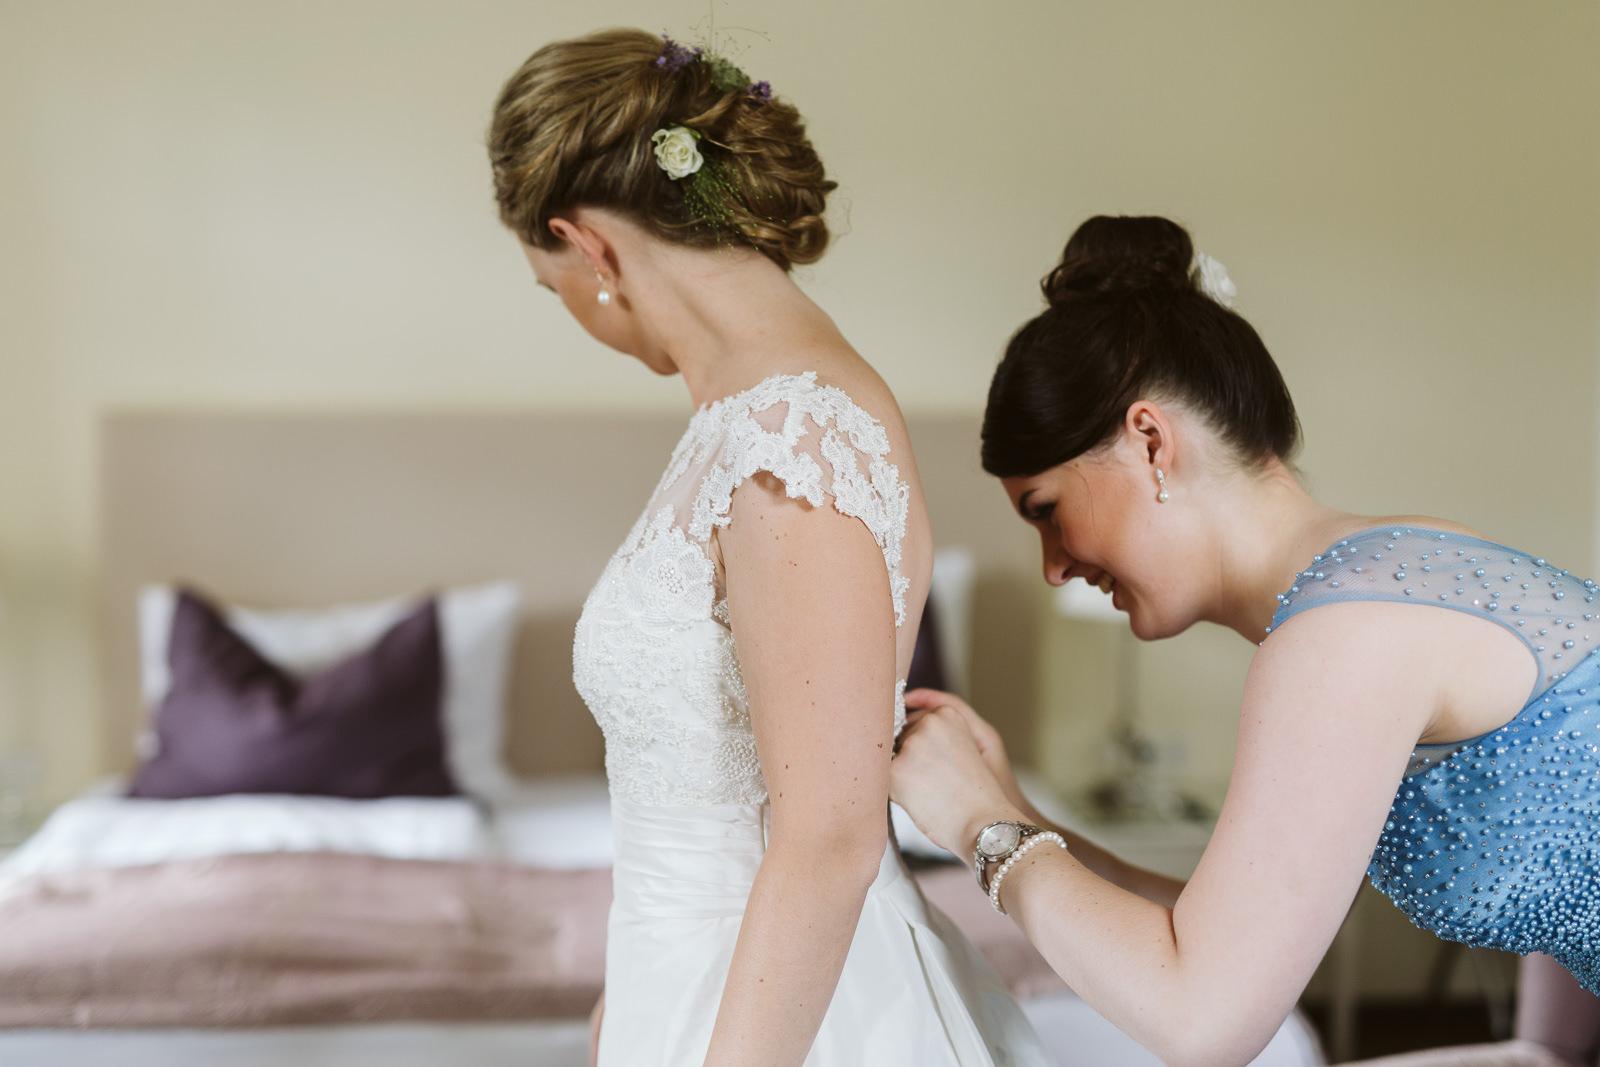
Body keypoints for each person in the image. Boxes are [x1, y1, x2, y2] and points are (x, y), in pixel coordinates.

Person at [888, 214, 1600, 1067]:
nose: (1051, 566)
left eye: (1048, 511)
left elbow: (1202, 1018)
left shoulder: (1341, 636)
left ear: (1151, 442)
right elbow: (1224, 939)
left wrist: (979, 823)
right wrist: (1034, 820)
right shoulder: (1408, 557)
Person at [487, 28, 1051, 1067]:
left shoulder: (796, 438)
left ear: (593, 248)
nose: (567, 307)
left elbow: (829, 838)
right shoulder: (746, 421)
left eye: (549, 281)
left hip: (795, 1018)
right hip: (692, 983)